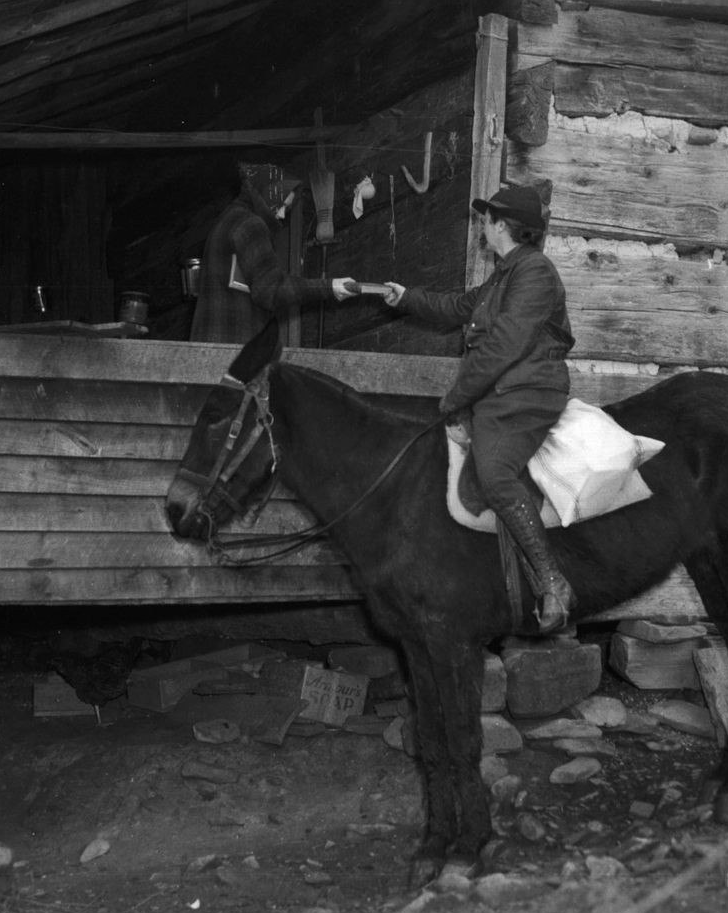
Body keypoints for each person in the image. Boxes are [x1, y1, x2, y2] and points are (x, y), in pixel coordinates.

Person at [382, 184, 575, 634]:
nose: (481, 227)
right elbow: (457, 306)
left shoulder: (536, 273)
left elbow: (503, 347)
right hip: (502, 392)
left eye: (486, 219)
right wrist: (406, 296)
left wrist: (454, 399)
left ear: (502, 225)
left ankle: (552, 580)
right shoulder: (502, 276)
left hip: (528, 393)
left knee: (493, 472)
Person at [190, 161, 354, 343]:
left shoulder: (229, 219)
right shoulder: (250, 224)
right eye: (281, 205)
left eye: (287, 208)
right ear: (267, 195)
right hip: (232, 346)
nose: (283, 215)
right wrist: (329, 287)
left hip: (209, 345)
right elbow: (270, 289)